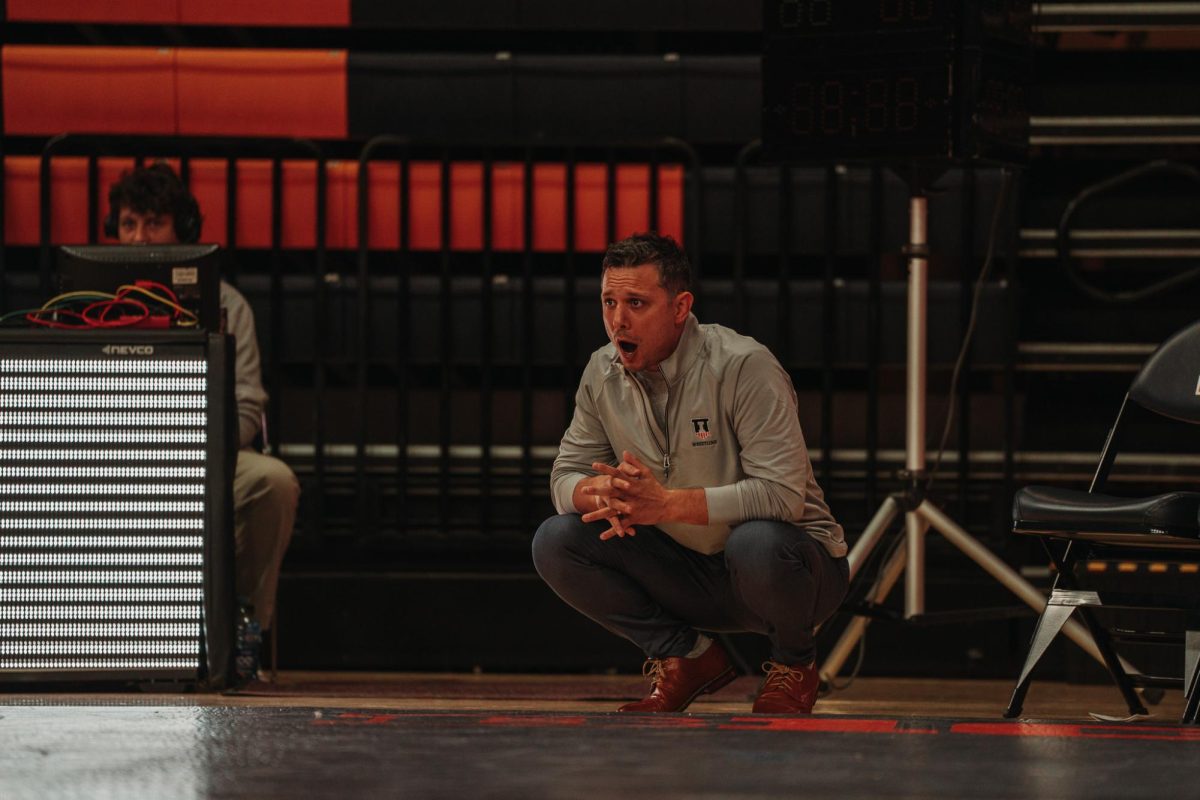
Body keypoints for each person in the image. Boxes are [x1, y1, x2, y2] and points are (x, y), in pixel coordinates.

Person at [532, 232, 849, 714]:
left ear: (680, 308)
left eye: (636, 302)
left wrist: (665, 504)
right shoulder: (601, 371)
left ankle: (795, 666)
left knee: (755, 542)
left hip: (791, 572)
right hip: (688, 572)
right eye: (609, 301)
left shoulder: (744, 365)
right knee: (557, 540)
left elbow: (783, 496)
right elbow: (563, 478)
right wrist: (599, 492)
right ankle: (687, 658)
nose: (618, 320)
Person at [108, 163, 300, 668]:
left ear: (181, 231)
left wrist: (195, 447)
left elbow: (247, 404)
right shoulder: (91, 304)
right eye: (129, 224)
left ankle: (244, 636)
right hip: (115, 463)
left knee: (273, 481)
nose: (139, 238)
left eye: (153, 223)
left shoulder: (228, 305)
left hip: (211, 460)